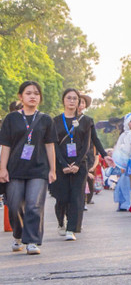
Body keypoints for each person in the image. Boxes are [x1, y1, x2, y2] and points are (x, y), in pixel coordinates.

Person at [0, 81, 57, 255]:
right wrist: (2, 168)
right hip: (15, 169)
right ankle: (18, 235)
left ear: (40, 97)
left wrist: (52, 170)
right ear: (20, 97)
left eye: (36, 93)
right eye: (28, 93)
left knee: (34, 205)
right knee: (15, 205)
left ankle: (32, 241)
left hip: (38, 170)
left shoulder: (46, 120)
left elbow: (49, 146)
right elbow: (6, 146)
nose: (33, 96)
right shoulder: (11, 119)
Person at [50, 89, 96, 240]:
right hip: (60, 163)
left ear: (78, 102)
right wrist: (63, 163)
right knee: (62, 197)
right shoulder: (55, 121)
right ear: (63, 100)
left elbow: (86, 145)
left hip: (79, 164)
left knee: (77, 197)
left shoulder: (86, 121)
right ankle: (61, 222)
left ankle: (72, 229)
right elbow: (54, 144)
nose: (71, 101)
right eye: (68, 98)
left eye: (75, 98)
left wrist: (77, 163)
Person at [112, 113, 131, 211]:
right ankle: (128, 203)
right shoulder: (124, 135)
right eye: (130, 121)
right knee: (126, 183)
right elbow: (120, 150)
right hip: (128, 162)